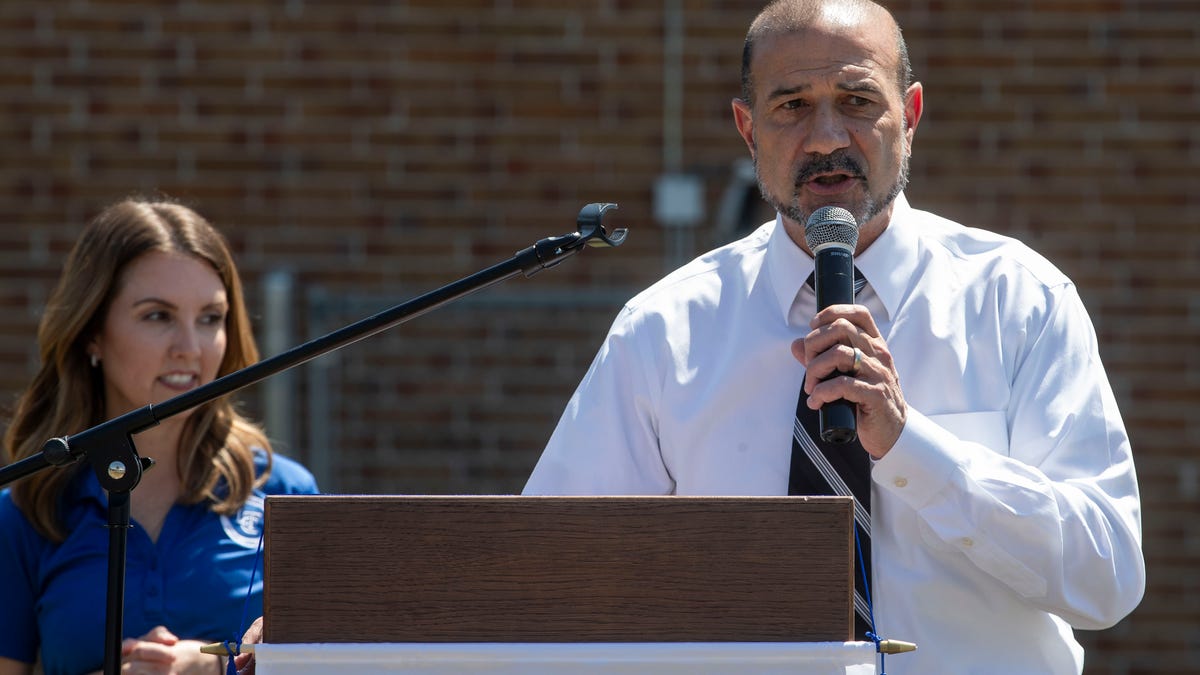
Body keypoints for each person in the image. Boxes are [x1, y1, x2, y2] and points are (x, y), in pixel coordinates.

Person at [522, 0, 1145, 672]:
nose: (826, 137)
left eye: (856, 100)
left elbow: (1106, 575)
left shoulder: (1019, 301)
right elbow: (547, 576)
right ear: (747, 128)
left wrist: (914, 448)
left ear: (909, 114)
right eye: (791, 106)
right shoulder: (663, 332)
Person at [0, 198, 319, 675]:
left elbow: (331, 661)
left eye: (210, 318)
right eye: (157, 316)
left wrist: (216, 664)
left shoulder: (285, 492)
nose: (190, 349)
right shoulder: (25, 512)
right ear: (91, 334)